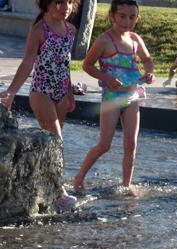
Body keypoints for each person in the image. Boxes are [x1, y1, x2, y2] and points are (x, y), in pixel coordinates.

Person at [0, 0, 79, 211]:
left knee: (52, 146)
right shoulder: (39, 30)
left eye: (70, 2)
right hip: (41, 93)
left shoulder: (70, 29)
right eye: (60, 2)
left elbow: (65, 63)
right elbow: (27, 63)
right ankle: (60, 193)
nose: (66, 7)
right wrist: (12, 91)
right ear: (46, 4)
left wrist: (70, 93)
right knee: (57, 140)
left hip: (61, 93)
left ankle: (46, 186)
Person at [73, 0, 154, 196]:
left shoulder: (135, 40)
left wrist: (149, 72)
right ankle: (79, 177)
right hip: (111, 98)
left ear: (138, 18)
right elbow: (87, 65)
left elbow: (147, 60)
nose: (127, 21)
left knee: (131, 144)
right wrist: (106, 78)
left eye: (132, 17)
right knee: (104, 145)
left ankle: (127, 186)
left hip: (132, 97)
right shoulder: (105, 40)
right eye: (122, 16)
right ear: (112, 16)